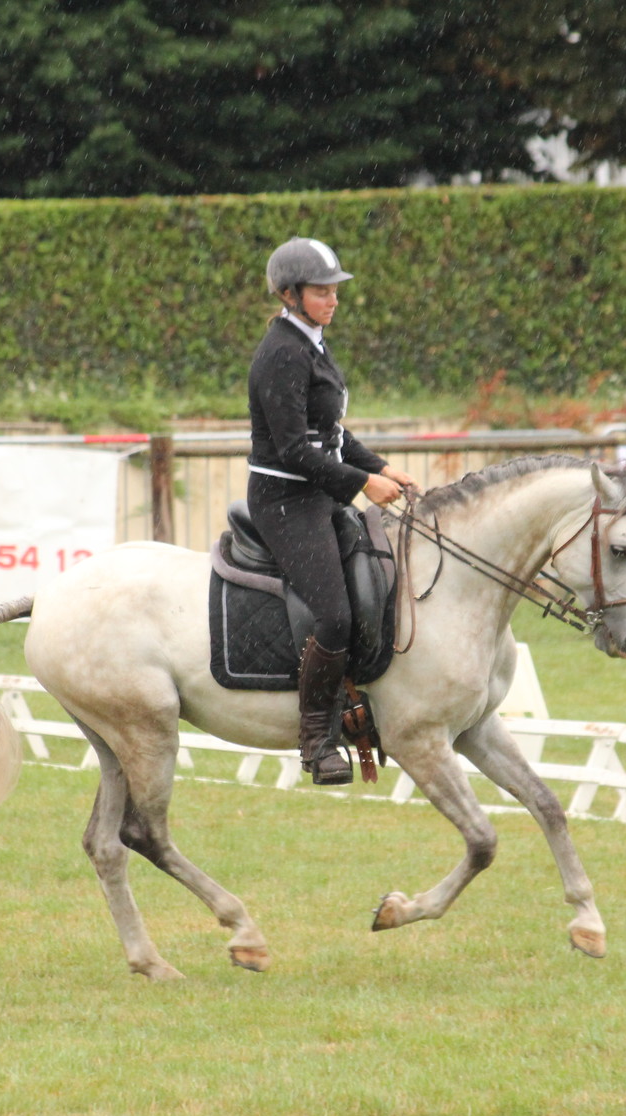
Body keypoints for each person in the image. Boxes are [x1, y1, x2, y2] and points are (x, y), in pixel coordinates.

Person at [247, 237, 418, 785]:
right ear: (290, 293)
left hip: (318, 490)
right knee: (335, 614)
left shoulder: (313, 343)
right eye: (322, 291)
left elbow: (333, 435)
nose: (333, 299)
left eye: (334, 290)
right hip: (284, 500)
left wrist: (381, 466)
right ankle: (316, 739)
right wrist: (363, 484)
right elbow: (296, 450)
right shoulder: (282, 353)